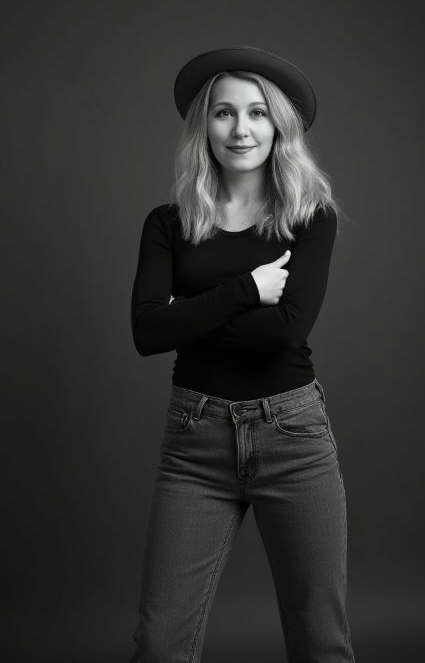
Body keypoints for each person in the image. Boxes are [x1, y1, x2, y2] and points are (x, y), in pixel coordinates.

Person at [129, 45, 356, 663]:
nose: (241, 129)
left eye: (257, 113)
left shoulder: (309, 217)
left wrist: (187, 314)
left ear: (278, 126)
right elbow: (146, 332)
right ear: (204, 125)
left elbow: (286, 331)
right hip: (195, 441)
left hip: (292, 437)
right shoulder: (168, 224)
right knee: (159, 645)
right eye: (224, 112)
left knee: (321, 642)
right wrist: (246, 290)